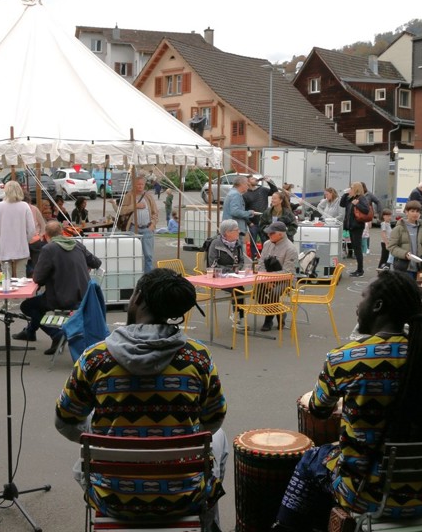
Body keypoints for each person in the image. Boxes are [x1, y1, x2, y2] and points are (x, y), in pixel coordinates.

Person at [273, 271, 422, 530]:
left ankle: (285, 526)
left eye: (362, 298)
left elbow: (318, 409)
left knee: (312, 459)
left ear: (378, 306)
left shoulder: (344, 359)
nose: (358, 307)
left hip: (365, 497)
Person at [55, 269, 228, 524]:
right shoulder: (197, 357)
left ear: (137, 298)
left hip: (112, 498)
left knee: (93, 437)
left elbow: (64, 422)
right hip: (184, 498)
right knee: (219, 437)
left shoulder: (95, 358)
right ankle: (208, 524)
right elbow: (213, 420)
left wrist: (104, 434)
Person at [14, 221, 102, 354]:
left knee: (27, 306)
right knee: (38, 301)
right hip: (84, 296)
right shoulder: (77, 244)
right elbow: (96, 262)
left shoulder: (49, 249)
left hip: (63, 298)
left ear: (46, 236)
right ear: (62, 232)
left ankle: (56, 334)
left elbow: (38, 278)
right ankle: (30, 332)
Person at [0, 180, 36, 278]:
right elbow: (32, 229)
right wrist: (25, 240)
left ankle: (7, 292)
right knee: (21, 276)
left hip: (4, 246)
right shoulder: (24, 206)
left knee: (6, 277)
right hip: (21, 246)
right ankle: (22, 293)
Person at [258, 220, 298, 332]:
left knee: (273, 293)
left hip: (286, 280)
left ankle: (268, 319)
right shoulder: (267, 244)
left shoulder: (290, 248)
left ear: (280, 234)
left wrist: (270, 278)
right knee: (257, 291)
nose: (268, 235)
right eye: (268, 233)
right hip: (266, 278)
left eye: (271, 233)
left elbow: (287, 272)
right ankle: (280, 313)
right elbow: (260, 264)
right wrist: (266, 279)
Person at [207, 219, 247, 324]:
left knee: (239, 287)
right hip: (218, 276)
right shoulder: (215, 243)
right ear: (227, 232)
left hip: (234, 276)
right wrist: (230, 271)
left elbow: (241, 260)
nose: (239, 232)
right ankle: (239, 317)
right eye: (236, 230)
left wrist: (237, 269)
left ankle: (238, 316)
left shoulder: (238, 244)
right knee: (238, 289)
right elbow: (212, 265)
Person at [119, 173, 159, 273]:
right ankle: (134, 276)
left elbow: (155, 212)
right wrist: (135, 206)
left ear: (144, 185)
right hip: (133, 229)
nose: (140, 186)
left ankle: (148, 278)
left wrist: (153, 224)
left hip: (147, 229)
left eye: (142, 184)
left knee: (148, 256)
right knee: (134, 255)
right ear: (134, 185)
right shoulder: (129, 196)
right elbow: (121, 211)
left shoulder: (148, 196)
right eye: (138, 184)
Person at [386, 200, 422, 277]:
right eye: (412, 211)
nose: (415, 213)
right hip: (403, 268)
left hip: (418, 268)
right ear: (406, 212)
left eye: (417, 211)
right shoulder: (399, 228)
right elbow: (391, 247)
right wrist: (405, 254)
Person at [340, 182, 371, 277]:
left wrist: (357, 205)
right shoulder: (351, 198)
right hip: (351, 226)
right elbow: (342, 204)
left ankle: (360, 270)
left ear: (356, 189)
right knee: (355, 247)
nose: (350, 189)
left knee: (357, 248)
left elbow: (366, 210)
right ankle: (358, 269)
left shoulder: (361, 198)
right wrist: (345, 194)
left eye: (351, 188)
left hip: (357, 226)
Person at [221, 175, 257, 247]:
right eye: (247, 184)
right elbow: (235, 211)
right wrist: (249, 213)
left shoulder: (231, 193)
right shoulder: (236, 195)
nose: (248, 186)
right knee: (237, 252)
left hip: (229, 228)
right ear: (242, 184)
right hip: (234, 229)